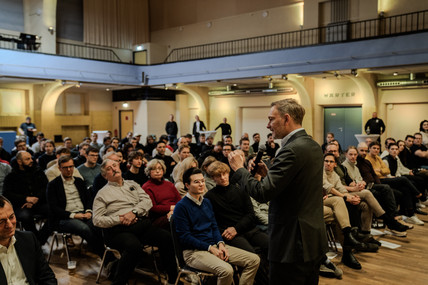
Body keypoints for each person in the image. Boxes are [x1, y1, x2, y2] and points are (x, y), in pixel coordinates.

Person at [228, 99, 327, 284]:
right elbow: (296, 187)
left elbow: (262, 193)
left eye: (271, 119)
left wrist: (239, 169)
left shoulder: (291, 150)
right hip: (312, 239)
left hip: (292, 243)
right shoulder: (312, 145)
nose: (268, 125)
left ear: (286, 118)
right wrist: (268, 176)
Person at [92, 159, 178, 285]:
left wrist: (133, 213)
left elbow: (147, 201)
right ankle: (119, 282)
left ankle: (173, 280)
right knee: (134, 247)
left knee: (166, 237)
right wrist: (120, 219)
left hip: (138, 224)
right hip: (118, 231)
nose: (114, 169)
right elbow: (97, 220)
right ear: (105, 176)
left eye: (115, 165)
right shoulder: (102, 194)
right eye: (109, 169)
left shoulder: (133, 184)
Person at [173, 167, 260, 285]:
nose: (201, 184)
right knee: (227, 270)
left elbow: (214, 226)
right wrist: (210, 248)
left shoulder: (206, 202)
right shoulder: (181, 207)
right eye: (196, 182)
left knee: (254, 260)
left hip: (213, 245)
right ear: (187, 185)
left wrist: (220, 243)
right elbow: (185, 237)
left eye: (202, 181)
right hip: (193, 252)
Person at [46, 155, 104, 257]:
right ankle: (104, 255)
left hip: (83, 213)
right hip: (64, 218)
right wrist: (74, 215)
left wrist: (89, 211)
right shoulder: (53, 185)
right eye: (65, 167)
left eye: (71, 166)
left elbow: (89, 199)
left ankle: (101, 249)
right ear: (59, 168)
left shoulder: (79, 181)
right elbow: (54, 208)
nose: (69, 170)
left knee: (99, 224)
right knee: (84, 228)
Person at [0, 195, 57, 284]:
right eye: (1, 222)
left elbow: (47, 277)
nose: (10, 225)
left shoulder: (29, 239)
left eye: (11, 217)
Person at [3, 151, 51, 244]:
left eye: (31, 158)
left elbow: (46, 188)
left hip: (39, 202)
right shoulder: (11, 176)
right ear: (19, 162)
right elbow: (7, 194)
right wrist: (26, 199)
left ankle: (39, 239)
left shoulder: (38, 172)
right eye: (27, 159)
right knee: (25, 216)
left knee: (54, 211)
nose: (31, 160)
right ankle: (35, 239)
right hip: (22, 205)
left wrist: (35, 199)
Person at [143, 159, 181, 229]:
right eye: (154, 169)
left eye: (160, 168)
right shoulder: (146, 187)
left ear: (163, 171)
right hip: (158, 218)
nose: (157, 171)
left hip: (174, 211)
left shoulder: (169, 184)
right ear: (149, 172)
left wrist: (174, 210)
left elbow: (179, 200)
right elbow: (153, 208)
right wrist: (170, 208)